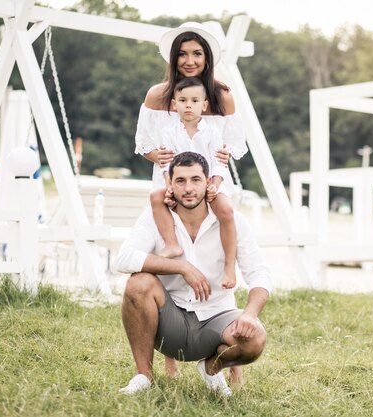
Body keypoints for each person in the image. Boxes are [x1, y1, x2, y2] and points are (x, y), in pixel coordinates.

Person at [134, 21, 248, 380]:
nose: (189, 60)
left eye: (197, 53)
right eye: (182, 53)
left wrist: (221, 166)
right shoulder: (159, 95)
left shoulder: (221, 96)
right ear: (173, 56)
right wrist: (160, 159)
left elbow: (235, 145)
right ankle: (169, 355)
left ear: (208, 56)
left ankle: (225, 354)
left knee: (212, 254)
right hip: (171, 181)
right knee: (173, 257)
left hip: (211, 181)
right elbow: (144, 144)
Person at [116, 152, 271, 397]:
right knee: (138, 283)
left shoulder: (233, 221)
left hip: (217, 318)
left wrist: (250, 315)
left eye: (196, 180)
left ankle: (211, 368)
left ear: (208, 182)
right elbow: (123, 259)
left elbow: (259, 273)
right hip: (170, 320)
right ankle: (144, 375)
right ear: (171, 184)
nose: (188, 188)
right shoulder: (154, 217)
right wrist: (182, 267)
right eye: (181, 181)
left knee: (256, 338)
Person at [151, 76, 238, 290]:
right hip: (180, 185)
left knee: (226, 210)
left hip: (209, 184)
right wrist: (170, 185)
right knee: (156, 197)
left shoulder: (213, 133)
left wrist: (214, 186)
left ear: (204, 105)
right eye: (183, 100)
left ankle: (229, 266)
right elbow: (166, 163)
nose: (188, 105)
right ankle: (171, 244)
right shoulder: (168, 132)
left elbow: (219, 164)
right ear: (174, 104)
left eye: (194, 101)